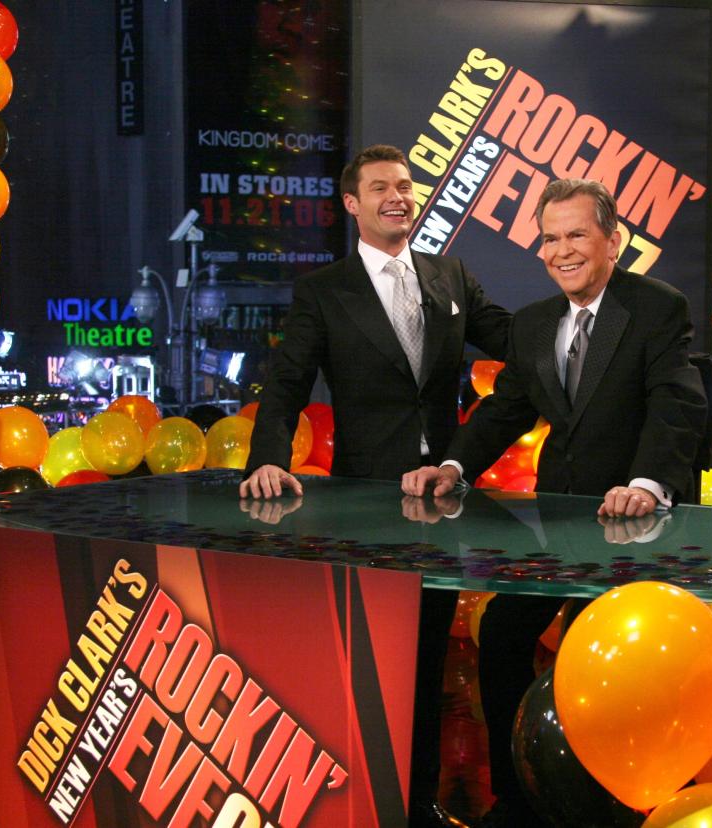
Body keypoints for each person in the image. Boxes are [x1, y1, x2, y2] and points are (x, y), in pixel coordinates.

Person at [401, 178, 706, 824]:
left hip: (636, 534)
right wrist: (451, 465)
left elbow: (676, 405)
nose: (560, 250)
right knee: (506, 633)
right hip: (560, 529)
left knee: (595, 660)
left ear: (612, 242)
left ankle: (612, 803)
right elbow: (505, 407)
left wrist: (647, 485)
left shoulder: (658, 308)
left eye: (576, 235)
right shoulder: (536, 323)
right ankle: (518, 797)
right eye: (549, 237)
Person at [240, 143, 511, 828]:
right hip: (365, 512)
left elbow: (515, 338)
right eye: (381, 187)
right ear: (352, 204)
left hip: (443, 505)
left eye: (406, 186)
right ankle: (361, 807)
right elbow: (284, 390)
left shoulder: (450, 275)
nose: (398, 196)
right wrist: (267, 459)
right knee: (368, 667)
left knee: (425, 670)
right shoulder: (323, 292)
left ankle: (415, 806)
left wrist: (581, 317)